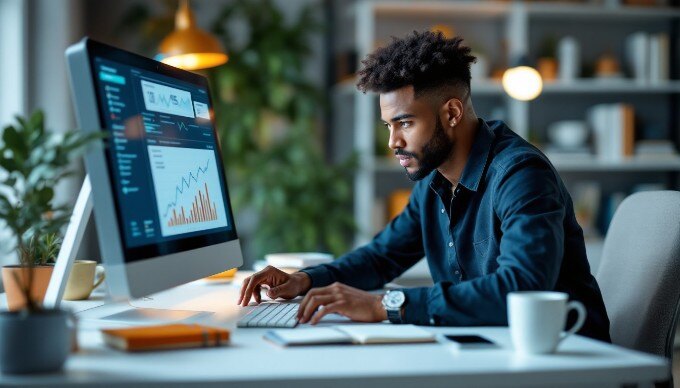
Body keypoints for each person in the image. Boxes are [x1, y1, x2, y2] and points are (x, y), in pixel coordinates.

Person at [238, 31, 611, 342]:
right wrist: (304, 280)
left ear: (451, 113)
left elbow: (521, 287)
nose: (393, 142)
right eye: (389, 126)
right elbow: (382, 257)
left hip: (564, 361)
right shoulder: (435, 178)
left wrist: (385, 305)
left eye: (405, 123)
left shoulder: (520, 174)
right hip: (492, 348)